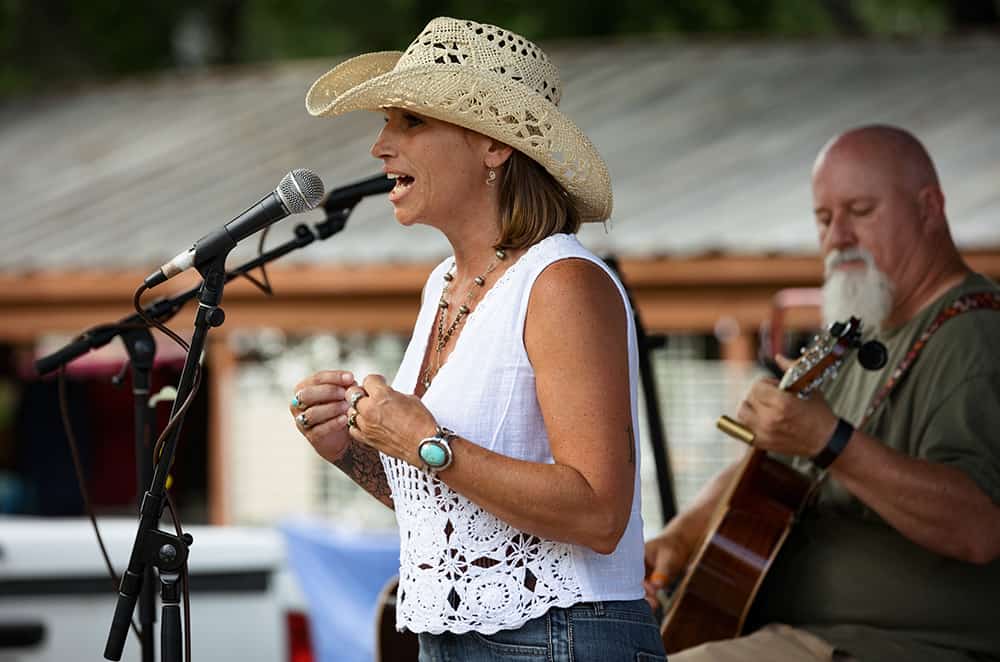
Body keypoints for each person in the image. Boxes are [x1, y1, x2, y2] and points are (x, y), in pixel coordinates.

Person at [289, 17, 667, 662]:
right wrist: (349, 452)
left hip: (561, 637)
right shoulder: (442, 283)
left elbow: (600, 514)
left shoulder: (562, 282)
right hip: (464, 640)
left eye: (410, 123)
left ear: (495, 145)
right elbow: (459, 519)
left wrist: (420, 439)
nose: (381, 146)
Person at [644, 125, 1000, 662]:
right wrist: (680, 538)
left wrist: (830, 441)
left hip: (899, 645)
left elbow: (979, 527)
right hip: (794, 630)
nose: (839, 237)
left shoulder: (974, 335)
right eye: (824, 218)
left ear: (930, 207)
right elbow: (764, 469)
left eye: (860, 210)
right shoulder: (857, 333)